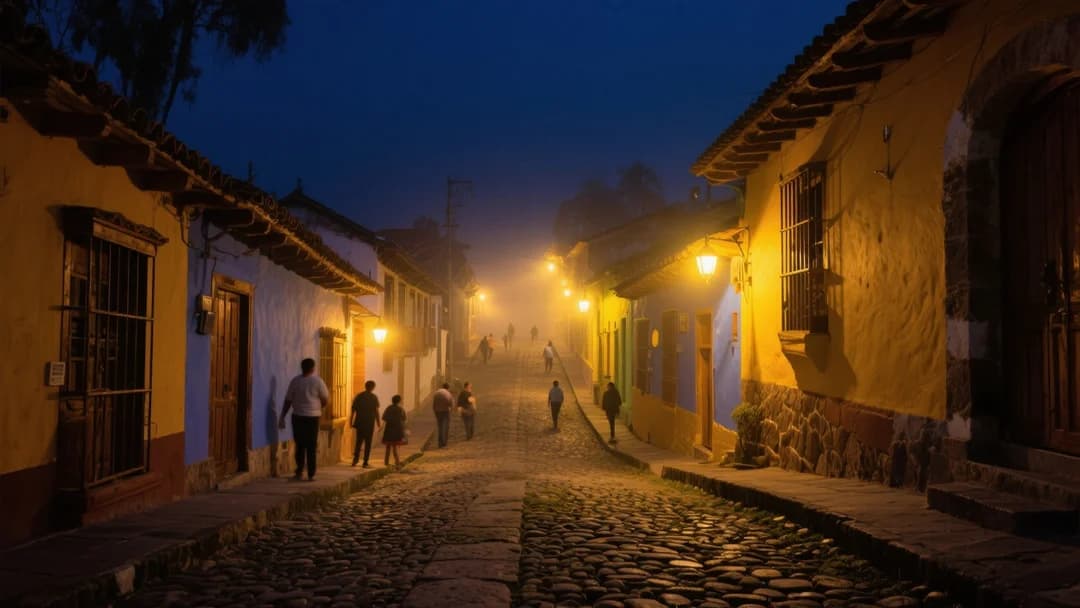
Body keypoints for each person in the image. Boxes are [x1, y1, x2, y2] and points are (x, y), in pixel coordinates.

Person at [278, 358, 329, 481]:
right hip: (313, 417)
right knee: (311, 445)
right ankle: (311, 474)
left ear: (302, 367)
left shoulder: (295, 381)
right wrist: (318, 407)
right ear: (313, 368)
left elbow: (288, 400)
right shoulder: (318, 381)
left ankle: (299, 471)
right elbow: (325, 399)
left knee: (299, 444)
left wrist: (282, 416)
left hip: (298, 416)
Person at [350, 380, 382, 467]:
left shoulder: (359, 396)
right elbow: (376, 411)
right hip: (369, 423)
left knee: (358, 441)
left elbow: (353, 409)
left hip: (360, 422)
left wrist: (351, 420)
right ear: (373, 387)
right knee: (368, 442)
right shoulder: (373, 397)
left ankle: (355, 460)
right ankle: (365, 462)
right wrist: (379, 423)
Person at [382, 394, 408, 468]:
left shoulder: (388, 408)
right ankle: (397, 462)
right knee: (395, 447)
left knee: (388, 446)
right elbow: (404, 419)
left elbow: (384, 418)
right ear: (399, 401)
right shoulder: (400, 409)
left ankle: (386, 462)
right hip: (397, 429)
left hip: (389, 428)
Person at [433, 382, 454, 448]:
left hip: (437, 411)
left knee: (440, 426)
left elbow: (434, 404)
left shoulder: (436, 393)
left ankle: (440, 442)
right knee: (445, 427)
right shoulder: (448, 393)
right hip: (445, 411)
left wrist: (435, 411)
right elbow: (451, 404)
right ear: (448, 388)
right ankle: (444, 442)